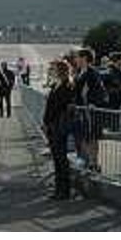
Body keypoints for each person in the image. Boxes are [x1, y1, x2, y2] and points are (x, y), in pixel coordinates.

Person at [42, 60, 76, 200]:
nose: (51, 70)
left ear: (60, 70)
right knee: (57, 157)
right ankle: (59, 189)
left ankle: (64, 190)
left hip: (57, 125)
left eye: (53, 68)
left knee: (61, 158)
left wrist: (47, 121)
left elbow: (58, 107)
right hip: (53, 124)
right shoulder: (58, 84)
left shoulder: (67, 85)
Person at [74, 48, 108, 171]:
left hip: (90, 110)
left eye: (77, 57)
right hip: (81, 110)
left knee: (92, 137)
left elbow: (100, 91)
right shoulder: (80, 72)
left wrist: (93, 103)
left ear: (84, 58)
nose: (75, 60)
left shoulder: (92, 72)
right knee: (84, 136)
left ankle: (94, 162)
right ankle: (88, 160)